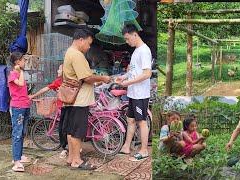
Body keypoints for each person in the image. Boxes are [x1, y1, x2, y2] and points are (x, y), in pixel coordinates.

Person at [62, 28, 111, 170]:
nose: (89, 47)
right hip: (80, 100)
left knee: (71, 130)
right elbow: (86, 77)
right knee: (77, 132)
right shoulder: (77, 55)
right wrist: (103, 78)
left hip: (72, 99)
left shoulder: (69, 52)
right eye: (88, 44)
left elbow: (82, 76)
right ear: (81, 40)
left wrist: (96, 79)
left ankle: (71, 157)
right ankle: (77, 160)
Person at [116, 24, 152, 161]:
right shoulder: (136, 51)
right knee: (130, 120)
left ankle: (144, 151)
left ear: (135, 34)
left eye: (127, 38)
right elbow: (133, 71)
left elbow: (147, 74)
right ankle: (126, 146)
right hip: (133, 93)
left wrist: (128, 83)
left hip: (140, 94)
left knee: (141, 121)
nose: (127, 41)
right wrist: (124, 77)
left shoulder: (144, 51)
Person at [29, 64, 69, 159]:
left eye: (59, 69)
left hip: (66, 107)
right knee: (65, 128)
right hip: (64, 107)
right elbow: (45, 88)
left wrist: (33, 96)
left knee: (63, 129)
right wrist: (34, 95)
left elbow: (45, 89)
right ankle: (66, 148)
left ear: (64, 71)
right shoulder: (59, 81)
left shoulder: (64, 81)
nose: (57, 71)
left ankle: (65, 148)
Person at [7, 52, 32, 172]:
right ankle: (16, 162)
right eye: (23, 60)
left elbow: (22, 90)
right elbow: (21, 83)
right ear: (17, 62)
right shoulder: (13, 74)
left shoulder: (18, 73)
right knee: (17, 133)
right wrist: (21, 71)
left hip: (25, 106)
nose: (24, 62)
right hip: (17, 107)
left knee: (22, 132)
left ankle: (19, 156)